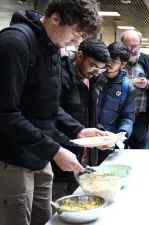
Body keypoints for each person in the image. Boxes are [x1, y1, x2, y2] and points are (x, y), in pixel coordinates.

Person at [0, 1, 105, 224]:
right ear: (55, 18)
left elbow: (49, 106)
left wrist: (78, 131)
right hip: (12, 159)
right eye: (76, 32)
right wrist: (55, 150)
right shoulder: (15, 43)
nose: (77, 41)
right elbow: (6, 114)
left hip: (40, 156)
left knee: (46, 219)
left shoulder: (52, 47)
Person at [52, 38, 110, 200]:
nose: (96, 72)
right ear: (80, 55)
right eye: (93, 66)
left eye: (101, 69)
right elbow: (52, 117)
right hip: (61, 160)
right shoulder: (60, 76)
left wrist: (100, 134)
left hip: (85, 160)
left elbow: (85, 114)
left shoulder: (94, 78)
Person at [121, 30, 149, 149]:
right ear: (122, 46)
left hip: (140, 117)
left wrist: (147, 85)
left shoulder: (146, 59)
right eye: (129, 47)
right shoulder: (116, 59)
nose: (133, 50)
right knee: (117, 154)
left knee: (139, 154)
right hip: (118, 117)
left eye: (136, 46)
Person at [97, 42, 137, 164]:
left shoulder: (127, 88)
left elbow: (128, 117)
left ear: (123, 64)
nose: (109, 63)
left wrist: (123, 132)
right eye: (108, 58)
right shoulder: (92, 78)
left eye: (114, 61)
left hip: (108, 142)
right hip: (87, 137)